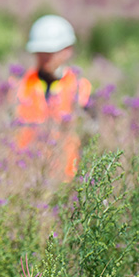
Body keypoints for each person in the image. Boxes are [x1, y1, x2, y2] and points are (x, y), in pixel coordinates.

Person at [13, 14, 91, 181]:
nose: (45, 58)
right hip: (25, 178)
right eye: (41, 52)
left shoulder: (81, 88)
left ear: (67, 50)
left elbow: (91, 135)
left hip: (66, 179)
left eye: (50, 52)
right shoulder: (19, 85)